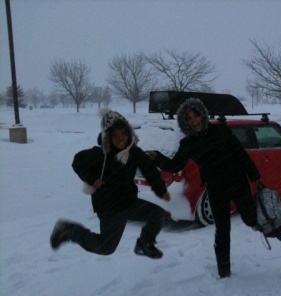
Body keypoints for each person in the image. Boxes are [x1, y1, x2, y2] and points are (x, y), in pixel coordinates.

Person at [148, 98, 261, 278]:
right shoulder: (188, 144)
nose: (194, 120)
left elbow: (240, 153)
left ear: (202, 115)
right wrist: (157, 157)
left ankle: (270, 226)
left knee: (250, 218)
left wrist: (255, 177)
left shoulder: (221, 130)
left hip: (237, 181)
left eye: (196, 115)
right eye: (189, 118)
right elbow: (174, 165)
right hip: (216, 189)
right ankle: (224, 271)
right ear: (184, 123)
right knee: (222, 230)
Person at [50, 108, 170, 259]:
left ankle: (144, 244)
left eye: (123, 133)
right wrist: (93, 180)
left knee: (157, 214)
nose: (120, 138)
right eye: (115, 135)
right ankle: (69, 230)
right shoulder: (100, 154)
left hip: (129, 202)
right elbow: (77, 162)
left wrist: (161, 189)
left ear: (129, 134)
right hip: (109, 206)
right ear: (107, 137)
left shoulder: (134, 153)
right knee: (105, 248)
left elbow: (150, 170)